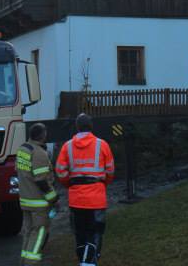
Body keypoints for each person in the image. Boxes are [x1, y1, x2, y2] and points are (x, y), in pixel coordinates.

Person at [55, 113, 114, 265]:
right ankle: (89, 262)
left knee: (80, 233)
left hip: (76, 198)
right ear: (91, 126)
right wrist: (102, 184)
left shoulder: (67, 146)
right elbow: (110, 171)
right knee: (95, 233)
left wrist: (70, 184)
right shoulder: (102, 145)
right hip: (96, 197)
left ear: (77, 127)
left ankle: (83, 260)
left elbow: (60, 171)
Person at [16, 122, 58, 264]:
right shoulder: (39, 153)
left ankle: (23, 261)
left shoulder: (23, 149)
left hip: (26, 200)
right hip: (38, 203)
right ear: (42, 135)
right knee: (39, 233)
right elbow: (41, 181)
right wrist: (53, 198)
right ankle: (31, 262)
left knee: (28, 232)